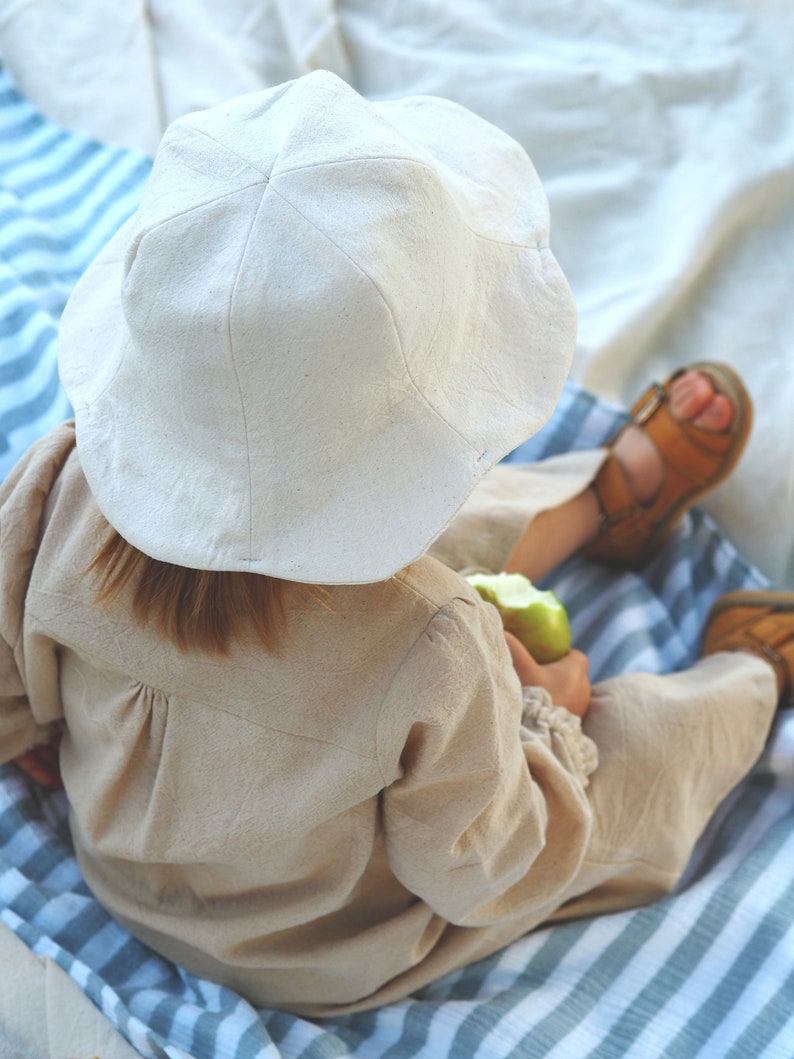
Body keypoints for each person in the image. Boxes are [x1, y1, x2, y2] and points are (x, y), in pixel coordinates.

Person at [1, 71, 792, 1017]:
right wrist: (548, 717)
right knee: (620, 790)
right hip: (322, 944)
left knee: (433, 540)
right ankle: (747, 676)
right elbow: (486, 867)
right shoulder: (435, 646)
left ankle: (599, 504)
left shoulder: (59, 483)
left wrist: (36, 733)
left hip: (122, 869)